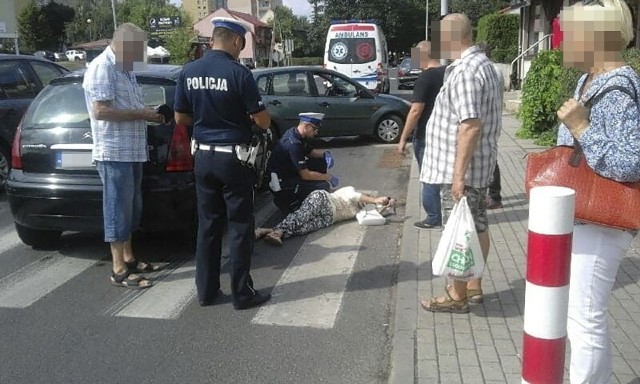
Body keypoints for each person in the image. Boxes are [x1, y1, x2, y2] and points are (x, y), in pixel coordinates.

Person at [556, 1, 640, 382]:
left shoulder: (620, 87)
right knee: (580, 315)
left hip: (604, 218)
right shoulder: (589, 80)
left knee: (585, 315)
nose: (562, 42)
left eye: (570, 34)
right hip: (583, 214)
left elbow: (630, 163)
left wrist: (581, 127)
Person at [174, 17, 272, 310]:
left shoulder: (188, 71)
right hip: (234, 159)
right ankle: (242, 294)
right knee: (241, 226)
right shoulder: (239, 74)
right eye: (241, 44)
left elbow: (180, 118)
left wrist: (206, 122)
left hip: (202, 156)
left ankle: (206, 291)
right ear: (235, 41)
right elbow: (263, 120)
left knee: (208, 225)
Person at [418, 13, 504, 313]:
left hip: (461, 169)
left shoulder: (465, 71)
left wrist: (457, 176)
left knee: (457, 231)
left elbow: (470, 124)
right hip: (479, 167)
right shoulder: (487, 66)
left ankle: (456, 295)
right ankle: (473, 285)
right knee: (477, 225)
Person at [82, 23, 166, 290]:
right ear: (122, 44)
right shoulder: (102, 67)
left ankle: (129, 257)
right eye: (137, 48)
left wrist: (150, 113)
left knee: (132, 206)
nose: (140, 53)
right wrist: (141, 114)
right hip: (114, 150)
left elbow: (129, 105)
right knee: (117, 207)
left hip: (133, 149)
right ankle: (118, 269)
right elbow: (101, 111)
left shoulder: (127, 69)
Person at [397, 40, 446, 230]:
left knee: (428, 176)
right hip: (444, 132)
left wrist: (403, 139)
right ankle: (446, 211)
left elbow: (416, 111)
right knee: (443, 174)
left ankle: (433, 217)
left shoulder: (425, 78)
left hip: (426, 135)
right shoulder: (448, 73)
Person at [255, 187, 396, 245]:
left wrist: (387, 204)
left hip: (329, 218)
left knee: (302, 228)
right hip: (323, 200)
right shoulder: (351, 191)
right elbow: (356, 196)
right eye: (369, 198)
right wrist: (375, 199)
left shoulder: (361, 211)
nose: (367, 202)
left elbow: (377, 212)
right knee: (301, 217)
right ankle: (278, 232)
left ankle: (268, 231)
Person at [267, 112, 339, 213]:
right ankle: (291, 202)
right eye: (314, 129)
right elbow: (306, 175)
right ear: (306, 126)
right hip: (283, 183)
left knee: (320, 161)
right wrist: (328, 177)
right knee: (323, 187)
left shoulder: (295, 133)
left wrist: (325, 154)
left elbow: (309, 151)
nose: (316, 132)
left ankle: (307, 190)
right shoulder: (293, 145)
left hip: (290, 172)